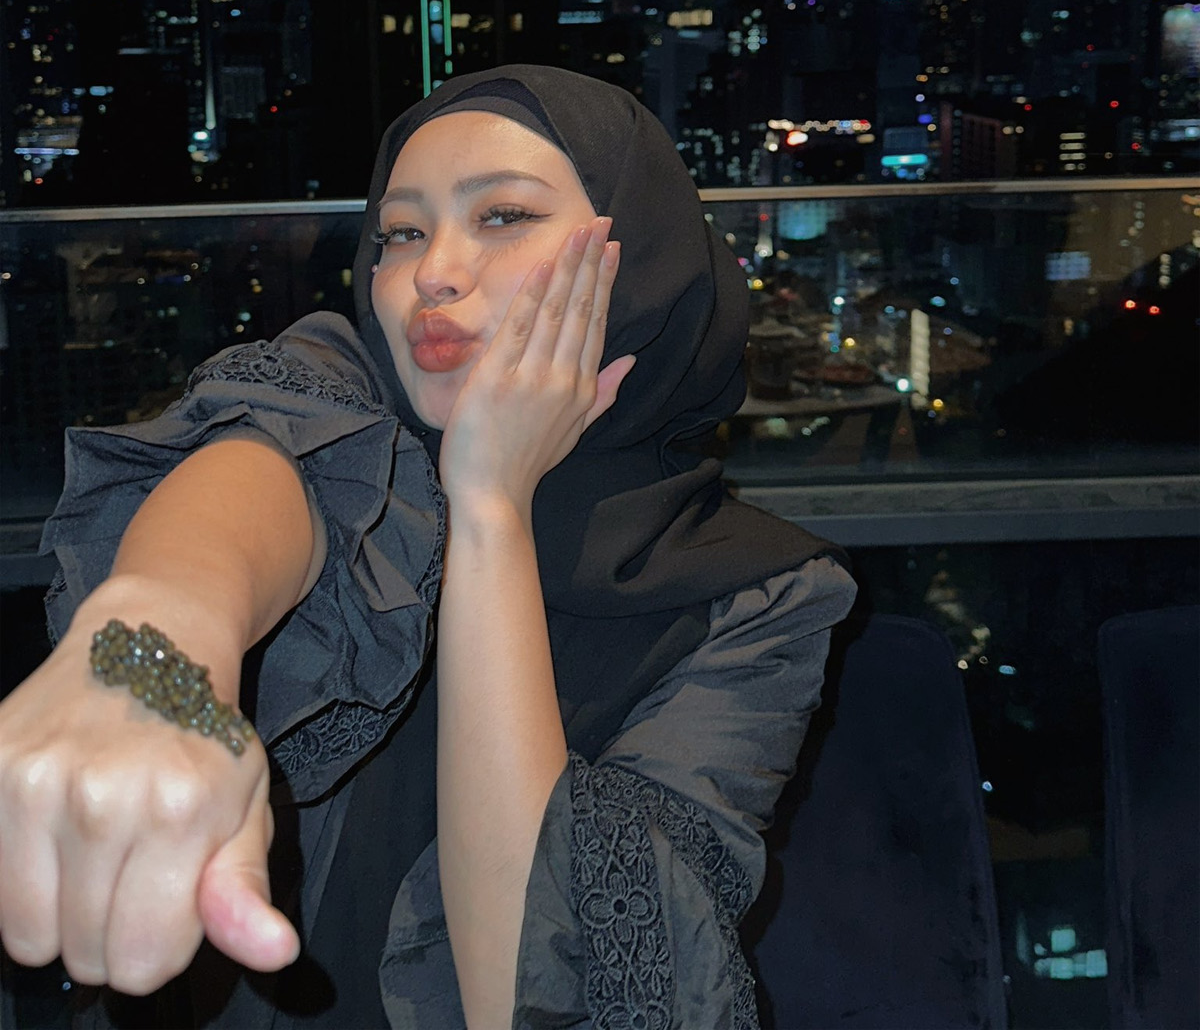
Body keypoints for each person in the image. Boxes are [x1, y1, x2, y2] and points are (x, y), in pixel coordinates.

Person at [0, 66, 857, 1029]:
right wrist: (149, 654)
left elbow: (537, 995)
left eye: (503, 216)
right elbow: (253, 464)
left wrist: (490, 504)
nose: (434, 271)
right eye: (401, 232)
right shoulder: (347, 390)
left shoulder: (763, 600)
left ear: (641, 259)